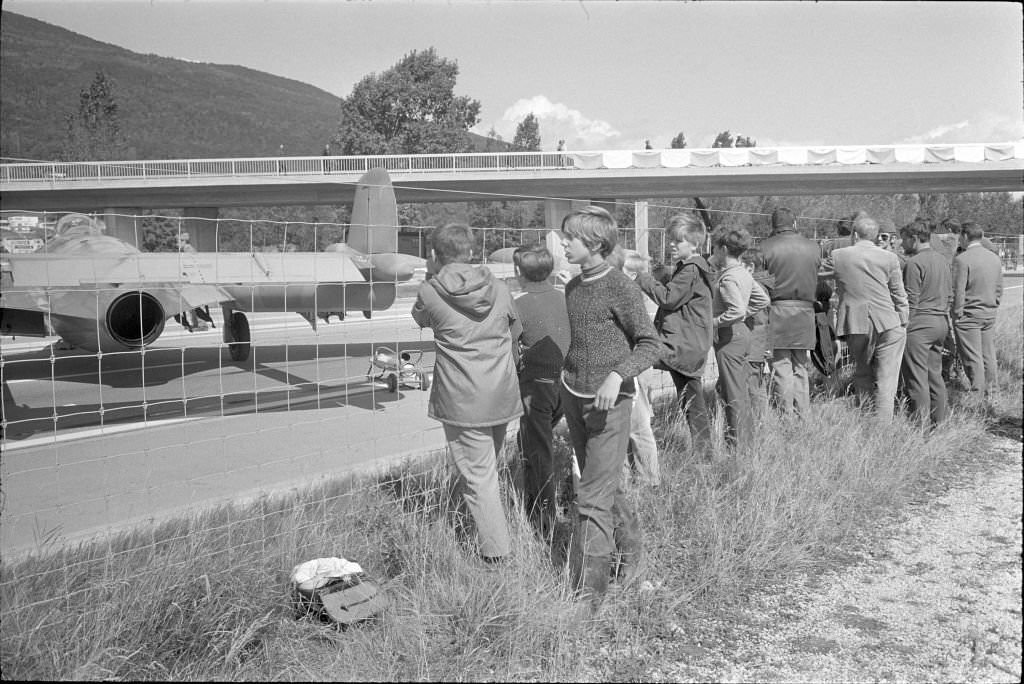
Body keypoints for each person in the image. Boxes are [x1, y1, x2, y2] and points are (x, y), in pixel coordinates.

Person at [558, 206, 664, 613]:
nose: (563, 243)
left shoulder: (620, 286)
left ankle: (589, 598)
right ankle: (633, 561)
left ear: (596, 244)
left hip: (612, 403)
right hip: (574, 396)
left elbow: (649, 344)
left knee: (590, 498)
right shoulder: (573, 287)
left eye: (571, 237)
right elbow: (581, 343)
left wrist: (617, 376)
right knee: (603, 488)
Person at [411, 224, 523, 563]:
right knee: (486, 469)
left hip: (462, 396)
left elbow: (420, 319)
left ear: (434, 254)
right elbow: (515, 328)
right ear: (472, 252)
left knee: (478, 477)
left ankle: (496, 555)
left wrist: (434, 273)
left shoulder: (430, 291)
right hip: (501, 392)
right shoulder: (500, 288)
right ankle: (476, 527)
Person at [635, 212, 714, 459]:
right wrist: (658, 272)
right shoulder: (692, 267)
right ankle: (703, 452)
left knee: (636, 359)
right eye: (671, 239)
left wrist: (642, 277)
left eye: (677, 241)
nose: (671, 244)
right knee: (690, 399)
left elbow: (669, 298)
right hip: (687, 343)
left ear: (693, 243)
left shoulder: (691, 269)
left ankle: (703, 453)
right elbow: (673, 284)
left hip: (682, 345)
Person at [819, 214, 908, 420]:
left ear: (854, 234)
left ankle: (865, 417)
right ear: (877, 236)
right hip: (888, 322)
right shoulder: (889, 258)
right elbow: (898, 293)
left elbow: (818, 274)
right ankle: (883, 426)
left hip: (855, 322)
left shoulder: (839, 255)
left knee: (862, 372)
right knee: (887, 379)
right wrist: (903, 318)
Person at [512, 243, 571, 536]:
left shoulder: (519, 305)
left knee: (537, 450)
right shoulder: (564, 298)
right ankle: (565, 499)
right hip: (566, 382)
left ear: (518, 272)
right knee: (553, 444)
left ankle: (542, 519)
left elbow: (510, 347)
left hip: (537, 385)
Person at [709, 226, 770, 449]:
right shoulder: (744, 273)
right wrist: (743, 312)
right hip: (742, 334)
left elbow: (736, 311)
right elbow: (762, 300)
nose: (713, 252)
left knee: (733, 393)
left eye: (714, 248)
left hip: (729, 337)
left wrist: (713, 323)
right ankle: (744, 441)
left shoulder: (728, 278)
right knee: (739, 390)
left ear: (723, 249)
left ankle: (739, 446)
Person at [607, 244, 661, 487]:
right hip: (631, 368)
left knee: (638, 427)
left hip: (633, 369)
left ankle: (650, 480)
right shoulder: (625, 293)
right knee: (628, 427)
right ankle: (628, 479)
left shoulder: (630, 297)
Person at [759, 207, 820, 415]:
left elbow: (760, 285)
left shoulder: (765, 247)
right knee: (801, 366)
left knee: (781, 367)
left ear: (773, 225)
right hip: (805, 312)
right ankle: (804, 415)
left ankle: (787, 416)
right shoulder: (814, 247)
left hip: (776, 312)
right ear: (794, 223)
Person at [899, 219, 952, 426]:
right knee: (935, 375)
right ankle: (940, 422)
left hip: (920, 324)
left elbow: (911, 300)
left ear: (913, 238)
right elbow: (949, 294)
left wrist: (904, 325)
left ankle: (919, 425)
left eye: (904, 239)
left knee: (916, 377)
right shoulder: (942, 260)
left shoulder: (914, 263)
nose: (901, 244)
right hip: (940, 322)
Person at [951, 221, 1003, 404]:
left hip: (969, 315)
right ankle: (993, 392)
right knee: (988, 354)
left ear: (965, 236)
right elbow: (999, 288)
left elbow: (958, 291)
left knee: (973, 357)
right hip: (988, 312)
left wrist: (956, 313)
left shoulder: (962, 259)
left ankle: (977, 396)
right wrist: (993, 304)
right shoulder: (994, 258)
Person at [740, 249, 775, 419]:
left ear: (750, 267)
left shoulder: (755, 287)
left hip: (753, 344)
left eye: (739, 266)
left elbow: (759, 320)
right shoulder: (764, 284)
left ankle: (761, 424)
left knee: (754, 387)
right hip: (758, 343)